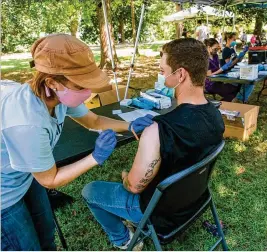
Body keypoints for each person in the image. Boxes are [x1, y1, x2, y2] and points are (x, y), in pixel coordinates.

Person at [0, 34, 153, 251]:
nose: (88, 92)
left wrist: (129, 126)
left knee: (46, 235)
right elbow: (50, 179)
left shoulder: (58, 96)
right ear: (52, 82)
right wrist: (94, 157)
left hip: (24, 175)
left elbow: (95, 120)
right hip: (4, 195)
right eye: (81, 85)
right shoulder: (28, 122)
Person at [82, 38, 225, 249]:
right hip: (194, 200)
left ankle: (124, 239)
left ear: (181, 74)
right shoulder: (216, 114)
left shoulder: (158, 129)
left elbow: (133, 186)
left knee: (90, 190)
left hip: (160, 212)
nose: (161, 75)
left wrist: (125, 178)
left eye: (163, 70)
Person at [221, 32, 253, 103]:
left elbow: (238, 60)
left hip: (235, 69)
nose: (235, 41)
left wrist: (243, 53)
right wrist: (238, 57)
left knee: (251, 80)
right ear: (228, 39)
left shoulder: (232, 49)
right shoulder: (225, 50)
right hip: (229, 72)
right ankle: (240, 98)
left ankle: (241, 98)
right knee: (249, 80)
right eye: (234, 39)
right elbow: (228, 64)